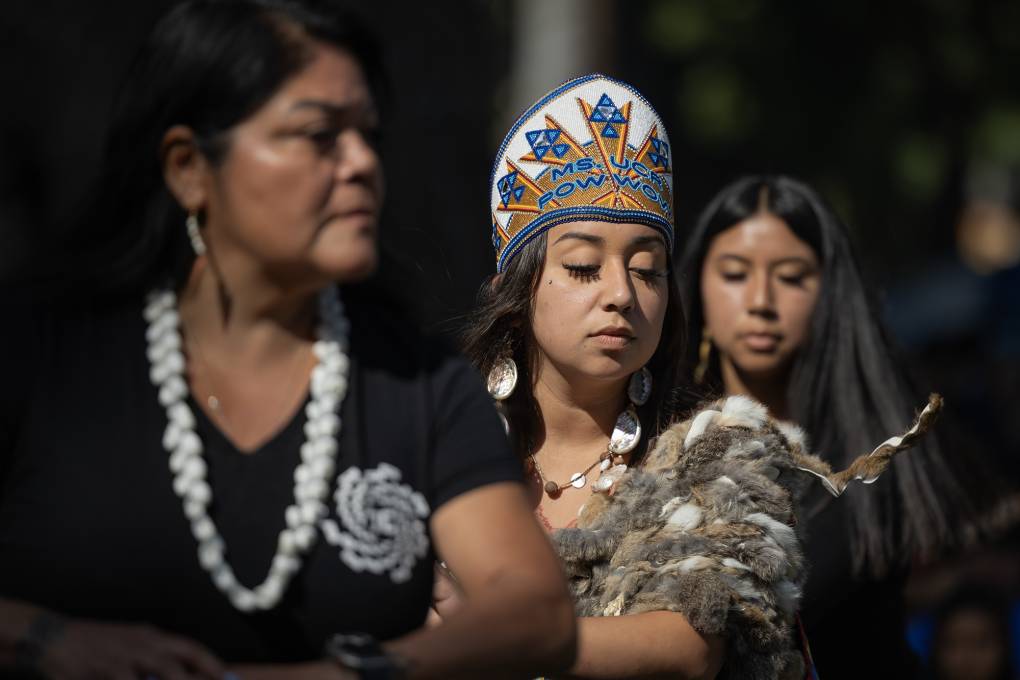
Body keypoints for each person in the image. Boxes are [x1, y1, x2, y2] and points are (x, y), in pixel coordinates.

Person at [0, 1, 577, 678]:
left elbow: (536, 614)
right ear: (189, 168)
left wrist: (350, 673)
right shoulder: (41, 355)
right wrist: (46, 640)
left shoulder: (421, 388)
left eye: (368, 135)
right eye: (318, 135)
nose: (362, 162)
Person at [437, 74, 935, 680]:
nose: (621, 293)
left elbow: (688, 647)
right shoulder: (431, 444)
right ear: (512, 294)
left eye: (647, 270)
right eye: (583, 267)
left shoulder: (715, 458)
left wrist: (487, 637)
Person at [677, 174, 972, 679]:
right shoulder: (654, 442)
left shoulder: (874, 455)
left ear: (827, 293)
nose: (761, 300)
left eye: (791, 277)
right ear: (700, 283)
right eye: (734, 273)